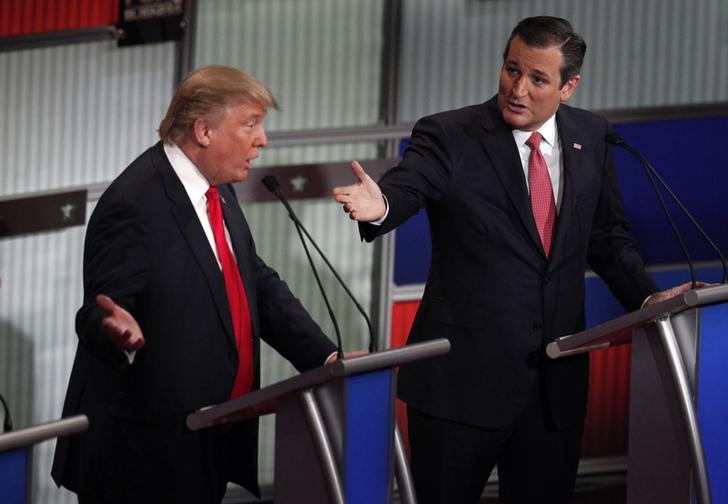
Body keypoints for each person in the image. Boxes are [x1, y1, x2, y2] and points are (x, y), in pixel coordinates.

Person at [333, 16, 698, 503]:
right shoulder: (449, 134)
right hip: (461, 386)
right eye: (511, 70)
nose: (518, 89)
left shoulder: (592, 137)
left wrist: (648, 297)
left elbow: (607, 237)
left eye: (538, 79)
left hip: (553, 389)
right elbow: (408, 185)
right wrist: (382, 207)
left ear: (569, 86)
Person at [52, 65, 338, 503]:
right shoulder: (134, 204)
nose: (262, 140)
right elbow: (98, 312)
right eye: (251, 124)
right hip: (143, 455)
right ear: (204, 131)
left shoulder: (216, 187)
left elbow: (252, 280)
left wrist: (325, 358)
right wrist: (117, 332)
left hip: (206, 432)